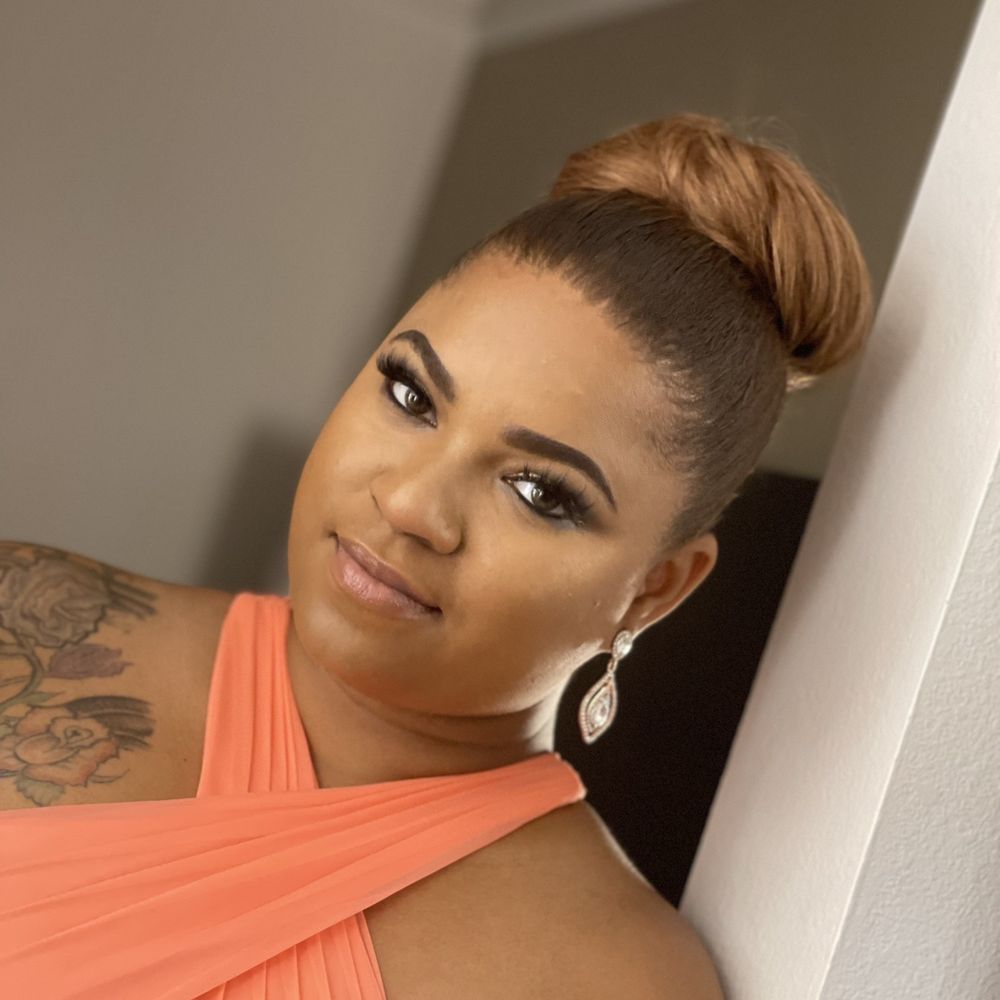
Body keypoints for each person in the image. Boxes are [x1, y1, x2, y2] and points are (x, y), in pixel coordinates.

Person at [0, 111, 873, 998]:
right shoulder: (24, 617)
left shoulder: (618, 980)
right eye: (412, 395)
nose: (412, 504)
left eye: (538, 492)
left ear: (654, 590)